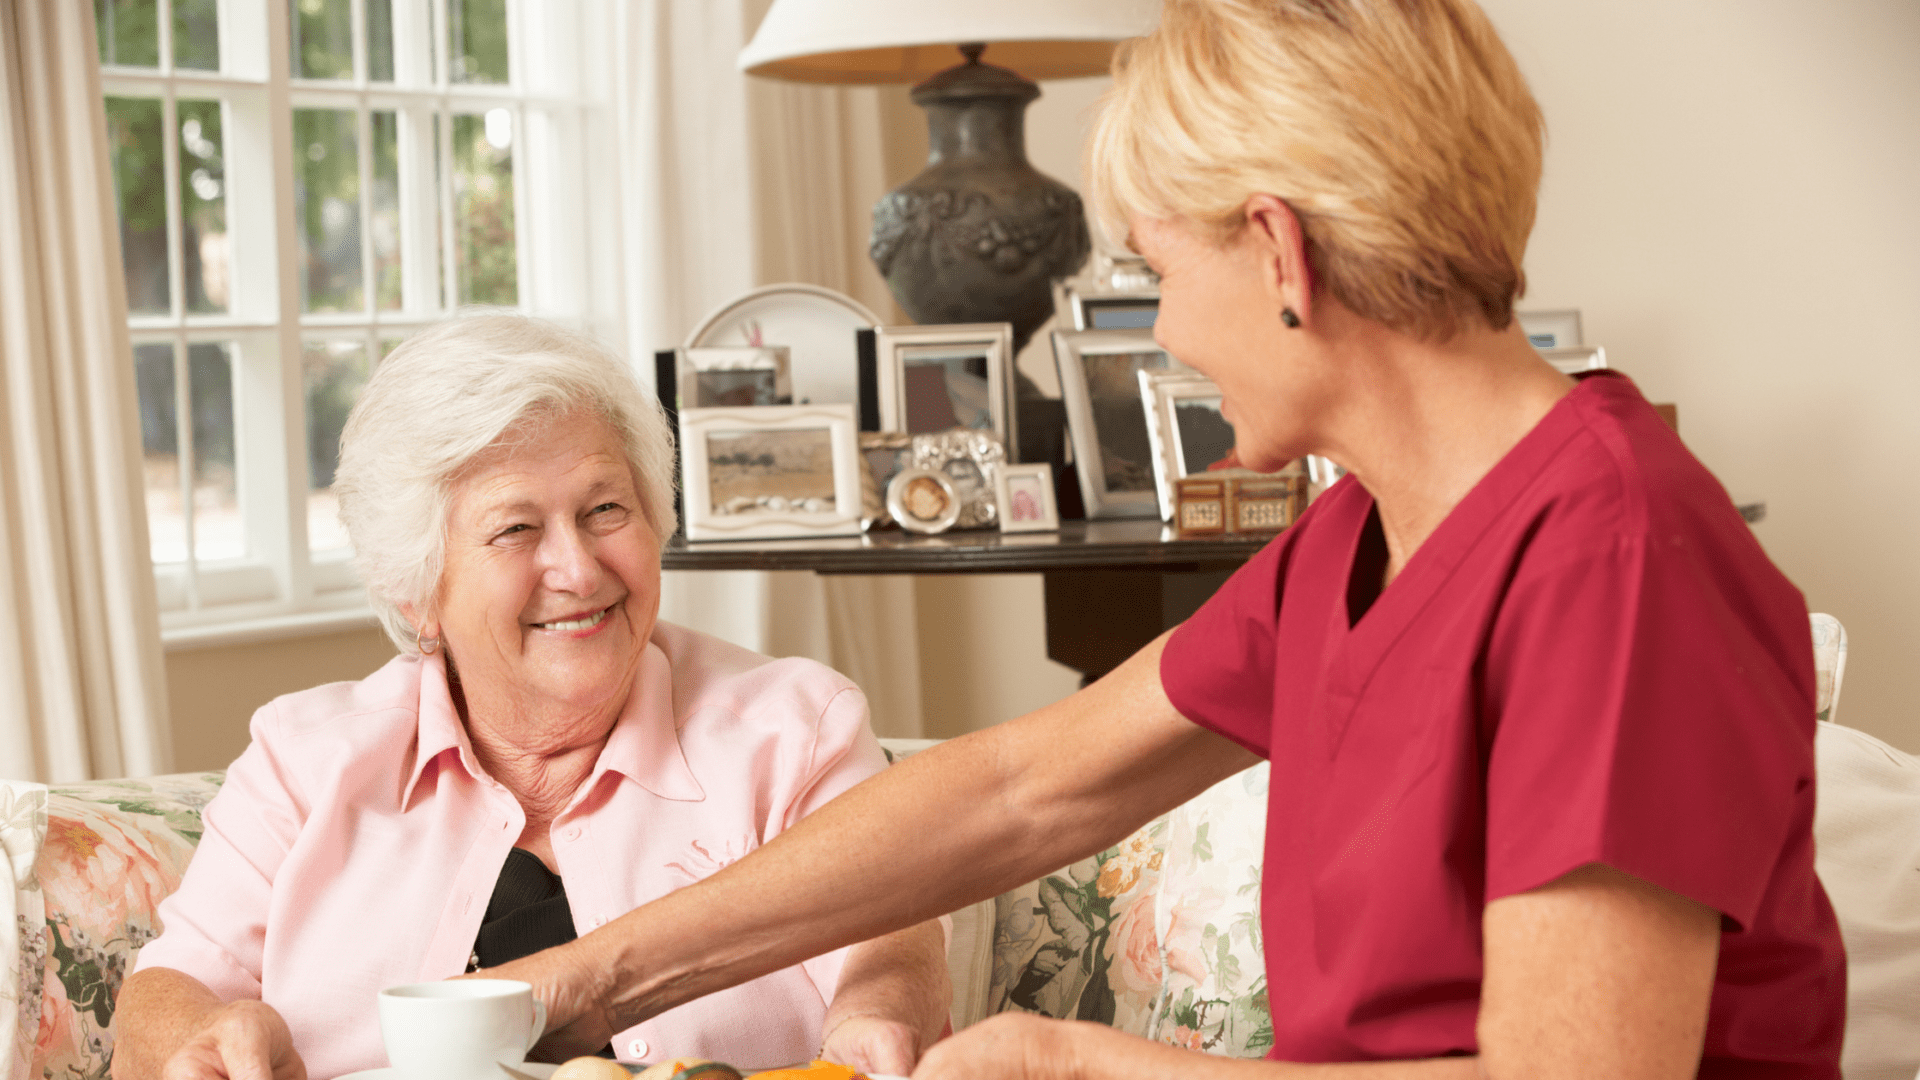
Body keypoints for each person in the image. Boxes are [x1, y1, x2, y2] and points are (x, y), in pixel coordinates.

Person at [441, 2, 1854, 1076]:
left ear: (1282, 254)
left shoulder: (1616, 556)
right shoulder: (1363, 536)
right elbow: (1018, 790)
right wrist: (577, 988)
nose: (1161, 335)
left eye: (1158, 271)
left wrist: (1088, 1062)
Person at [110, 317, 952, 1080]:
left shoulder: (792, 732)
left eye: (606, 509)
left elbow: (888, 934)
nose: (580, 571)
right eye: (516, 529)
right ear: (417, 591)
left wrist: (873, 1017)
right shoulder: (305, 759)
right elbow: (173, 985)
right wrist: (208, 1038)